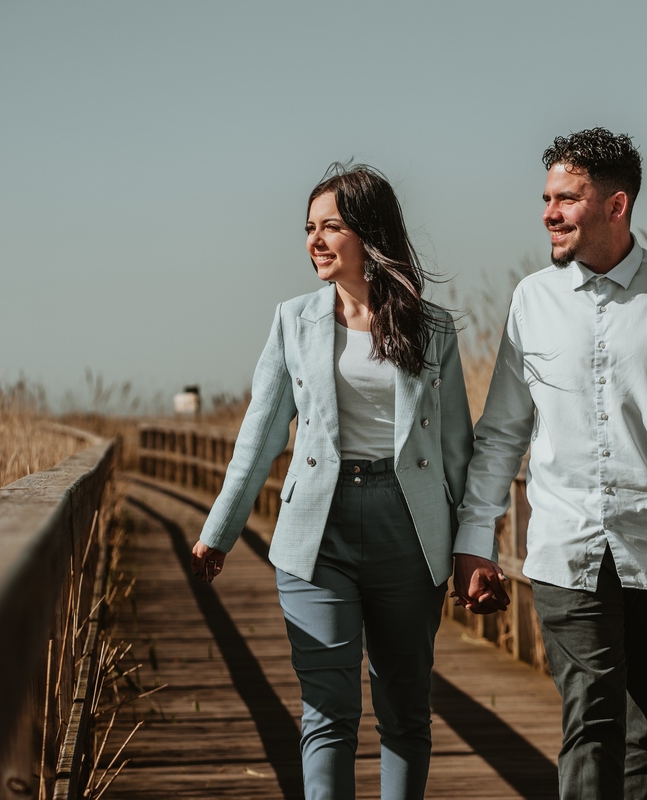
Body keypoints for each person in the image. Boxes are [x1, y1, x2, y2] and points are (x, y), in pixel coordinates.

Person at [451, 128, 647, 800]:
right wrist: (476, 542)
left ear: (615, 206)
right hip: (568, 550)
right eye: (546, 197)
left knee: (645, 732)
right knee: (591, 722)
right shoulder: (532, 300)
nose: (549, 212)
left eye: (567, 198)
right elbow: (501, 432)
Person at [190, 163, 473, 800]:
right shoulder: (293, 321)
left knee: (405, 710)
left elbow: (459, 450)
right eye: (309, 228)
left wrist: (475, 545)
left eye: (331, 227)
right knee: (327, 712)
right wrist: (220, 530)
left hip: (412, 528)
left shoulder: (433, 330)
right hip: (317, 533)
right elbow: (259, 437)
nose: (315, 241)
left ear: (369, 233)